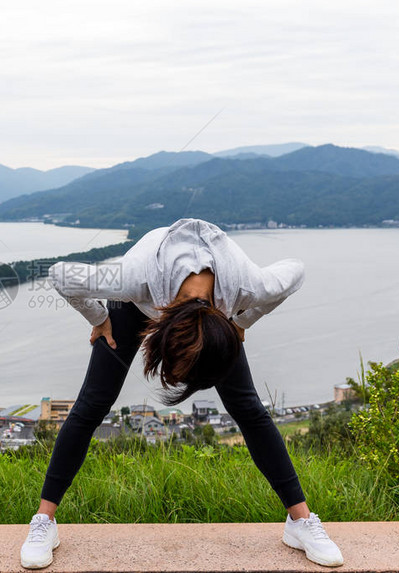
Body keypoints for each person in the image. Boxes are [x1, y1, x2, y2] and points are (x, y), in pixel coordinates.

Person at [19, 218, 343, 569]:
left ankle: (300, 522)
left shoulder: (248, 285)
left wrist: (242, 322)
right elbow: (60, 274)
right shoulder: (133, 278)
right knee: (92, 404)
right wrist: (97, 316)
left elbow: (295, 272)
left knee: (249, 409)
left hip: (217, 317)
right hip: (135, 306)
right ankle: (44, 522)